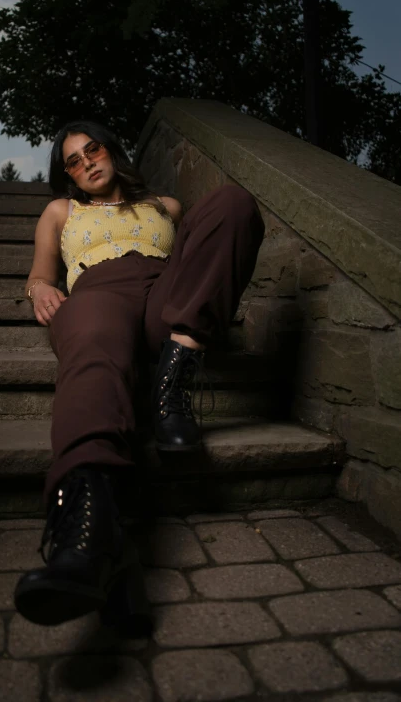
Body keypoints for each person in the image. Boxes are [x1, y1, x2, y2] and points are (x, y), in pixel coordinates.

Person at [14, 120, 265, 631]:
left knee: (233, 203)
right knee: (92, 338)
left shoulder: (166, 207)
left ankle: (173, 380)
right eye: (73, 161)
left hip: (166, 298)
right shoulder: (61, 211)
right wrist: (40, 288)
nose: (86, 162)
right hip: (98, 294)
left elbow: (207, 256)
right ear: (67, 176)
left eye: (93, 149)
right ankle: (86, 533)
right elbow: (40, 274)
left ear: (112, 149)